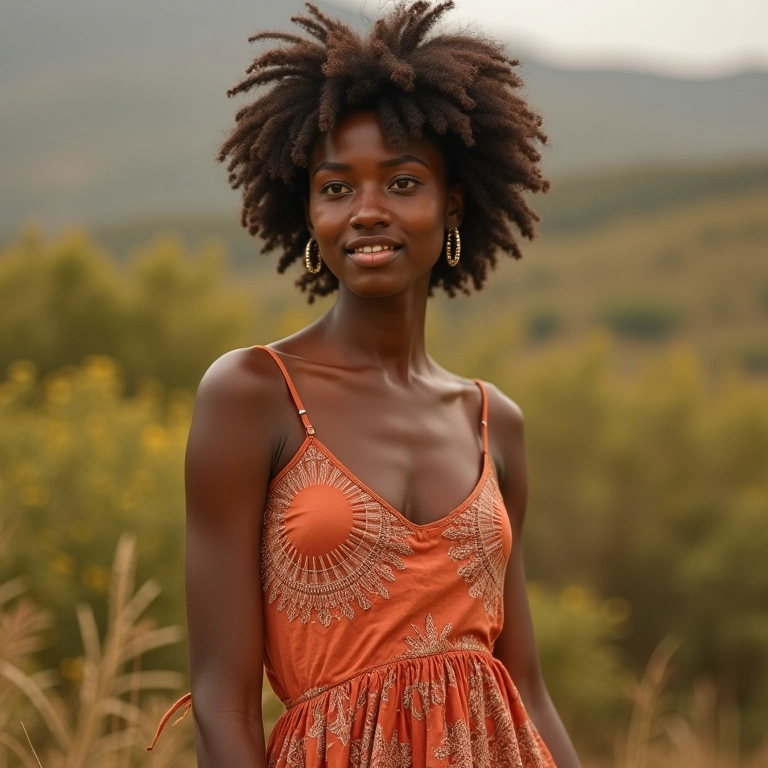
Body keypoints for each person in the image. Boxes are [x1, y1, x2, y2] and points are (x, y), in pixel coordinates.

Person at [150, 2, 581, 766]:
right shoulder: (253, 393)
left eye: (402, 182)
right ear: (307, 208)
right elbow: (221, 702)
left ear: (450, 204)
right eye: (337, 187)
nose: (367, 212)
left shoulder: (492, 420)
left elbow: (528, 687)